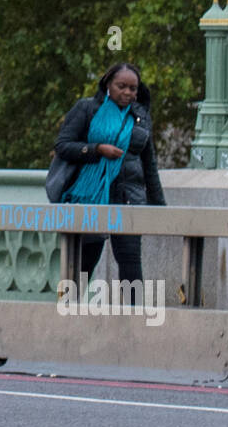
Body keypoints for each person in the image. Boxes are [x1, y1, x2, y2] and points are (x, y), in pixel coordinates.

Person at [53, 61, 166, 287]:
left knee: (130, 261)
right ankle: (66, 316)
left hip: (129, 198)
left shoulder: (139, 116)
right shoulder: (87, 109)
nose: (127, 93)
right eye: (121, 86)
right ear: (108, 85)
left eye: (132, 89)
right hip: (92, 196)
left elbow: (149, 163)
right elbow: (63, 145)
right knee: (84, 261)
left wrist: (159, 206)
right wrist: (97, 149)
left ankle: (132, 319)